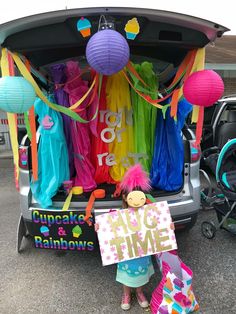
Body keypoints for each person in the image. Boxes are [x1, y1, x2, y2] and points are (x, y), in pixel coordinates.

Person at [95, 164, 154, 310]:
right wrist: (99, 228)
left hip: (142, 252)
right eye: (132, 197)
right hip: (126, 254)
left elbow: (159, 226)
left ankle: (139, 292)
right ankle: (126, 294)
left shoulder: (149, 213)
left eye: (139, 197)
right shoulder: (118, 216)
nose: (136, 201)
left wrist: (169, 226)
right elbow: (108, 229)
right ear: (125, 198)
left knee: (142, 273)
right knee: (126, 276)